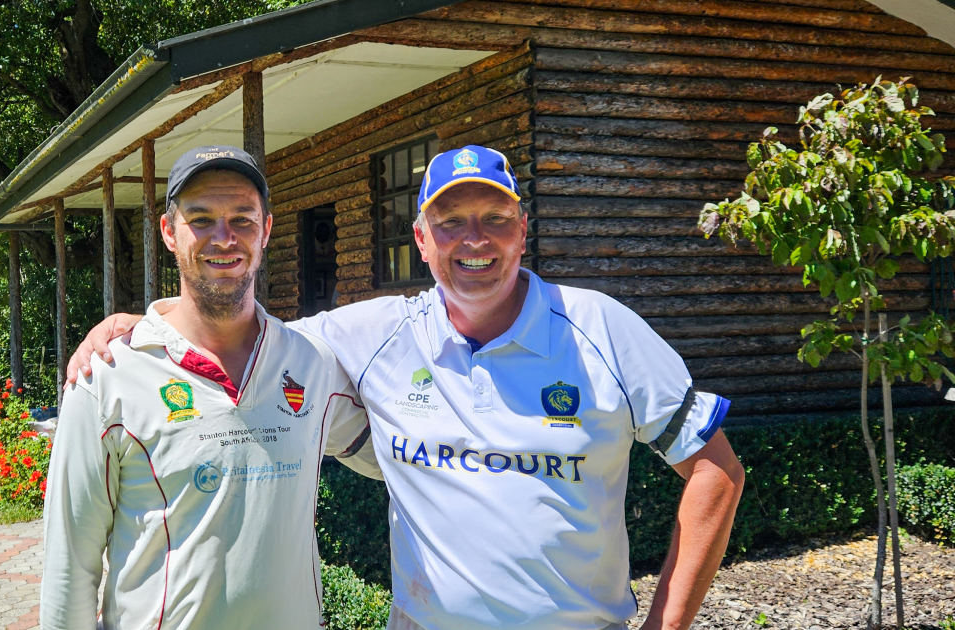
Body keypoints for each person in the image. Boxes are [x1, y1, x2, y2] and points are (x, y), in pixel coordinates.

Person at [67, 145, 746, 630]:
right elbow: (241, 329)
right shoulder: (378, 333)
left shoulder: (599, 327)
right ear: (421, 239)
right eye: (450, 222)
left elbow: (716, 472)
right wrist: (144, 324)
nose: (473, 240)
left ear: (523, 230)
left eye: (495, 217)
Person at [41, 146, 378, 630]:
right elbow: (69, 568)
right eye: (201, 219)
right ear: (169, 233)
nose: (224, 238)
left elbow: (397, 455)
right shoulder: (107, 377)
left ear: (265, 231)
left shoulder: (311, 364)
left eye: (242, 219)